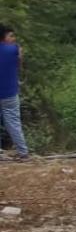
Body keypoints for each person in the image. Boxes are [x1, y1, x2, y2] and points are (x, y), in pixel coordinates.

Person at [0, 25, 30, 161]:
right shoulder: (15, 49)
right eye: (10, 36)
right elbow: (19, 64)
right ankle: (23, 152)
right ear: (4, 37)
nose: (13, 38)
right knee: (13, 122)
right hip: (10, 93)